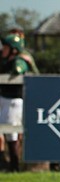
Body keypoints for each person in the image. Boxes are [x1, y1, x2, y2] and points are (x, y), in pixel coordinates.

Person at [0, 30, 36, 172]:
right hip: (4, 98)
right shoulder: (5, 61)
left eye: (7, 47)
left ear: (13, 50)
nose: (3, 49)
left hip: (14, 101)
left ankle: (14, 165)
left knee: (11, 133)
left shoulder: (18, 61)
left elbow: (18, 71)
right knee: (5, 131)